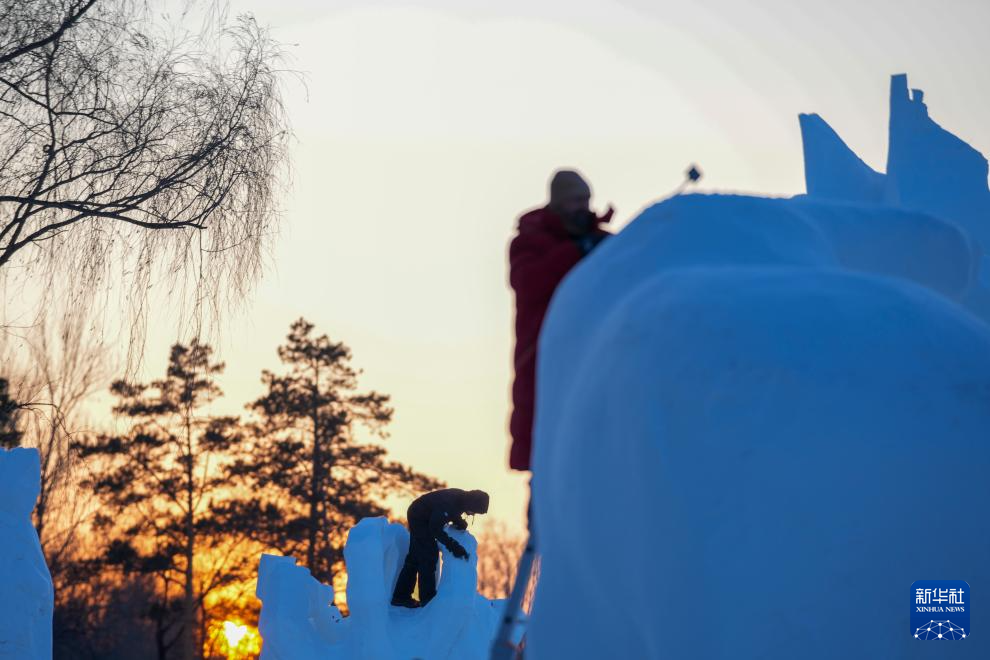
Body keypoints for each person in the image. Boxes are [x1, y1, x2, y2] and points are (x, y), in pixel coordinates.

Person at [507, 169, 613, 473]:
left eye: (586, 200)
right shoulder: (529, 242)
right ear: (558, 202)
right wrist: (575, 252)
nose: (583, 207)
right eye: (575, 200)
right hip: (541, 355)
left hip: (592, 352)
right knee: (545, 446)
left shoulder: (601, 243)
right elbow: (528, 283)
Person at [391, 488, 490, 608]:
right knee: (429, 555)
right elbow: (435, 528)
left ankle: (400, 597)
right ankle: (427, 600)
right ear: (471, 504)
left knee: (415, 557)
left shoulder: (461, 500)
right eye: (474, 511)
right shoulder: (450, 502)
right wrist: (453, 546)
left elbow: (451, 512)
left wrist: (459, 522)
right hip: (419, 517)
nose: (472, 514)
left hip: (422, 514)